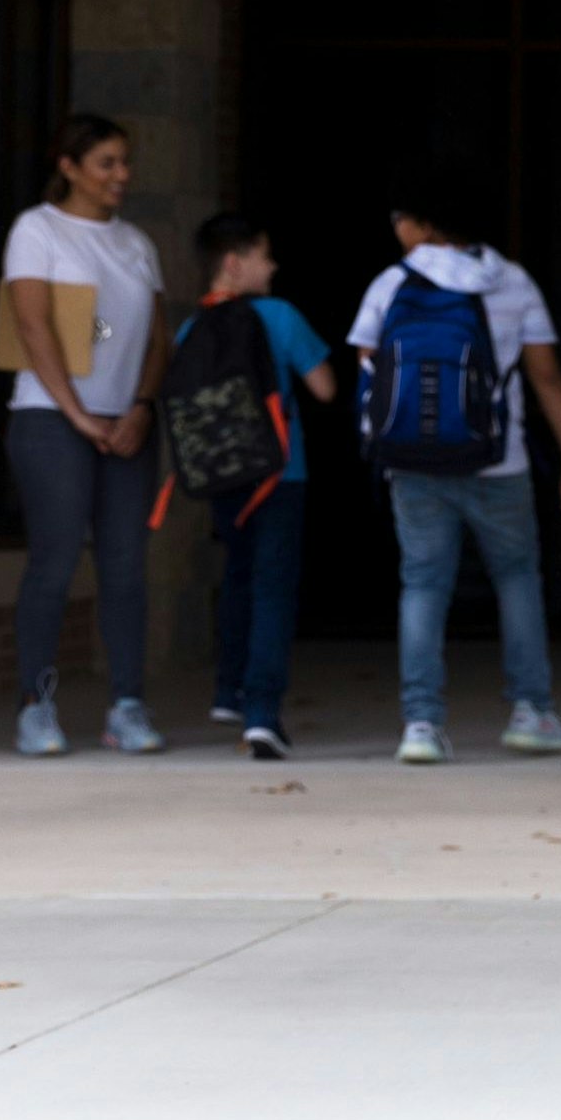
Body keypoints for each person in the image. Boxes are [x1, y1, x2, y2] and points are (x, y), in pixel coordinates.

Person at [347, 195, 561, 764]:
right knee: (516, 578)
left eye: (400, 216)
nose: (395, 228)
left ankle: (421, 724)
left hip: (411, 462)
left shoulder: (391, 283)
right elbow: (547, 377)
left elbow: (368, 363)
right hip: (497, 459)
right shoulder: (511, 281)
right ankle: (532, 711)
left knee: (424, 584)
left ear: (425, 223)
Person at [0, 114, 174, 758]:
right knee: (55, 559)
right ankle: (35, 704)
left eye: (125, 162)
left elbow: (152, 338)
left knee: (126, 566)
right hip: (51, 420)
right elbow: (35, 325)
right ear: (69, 167)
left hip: (127, 422)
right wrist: (77, 413)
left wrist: (140, 406)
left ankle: (128, 705)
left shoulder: (136, 243)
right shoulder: (37, 230)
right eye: (106, 163)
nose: (121, 175)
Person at [175, 214, 338, 760]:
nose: (273, 265)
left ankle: (229, 691)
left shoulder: (189, 328)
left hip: (224, 478)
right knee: (273, 587)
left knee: (238, 576)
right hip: (280, 473)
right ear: (233, 263)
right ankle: (263, 714)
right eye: (265, 255)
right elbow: (325, 388)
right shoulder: (281, 315)